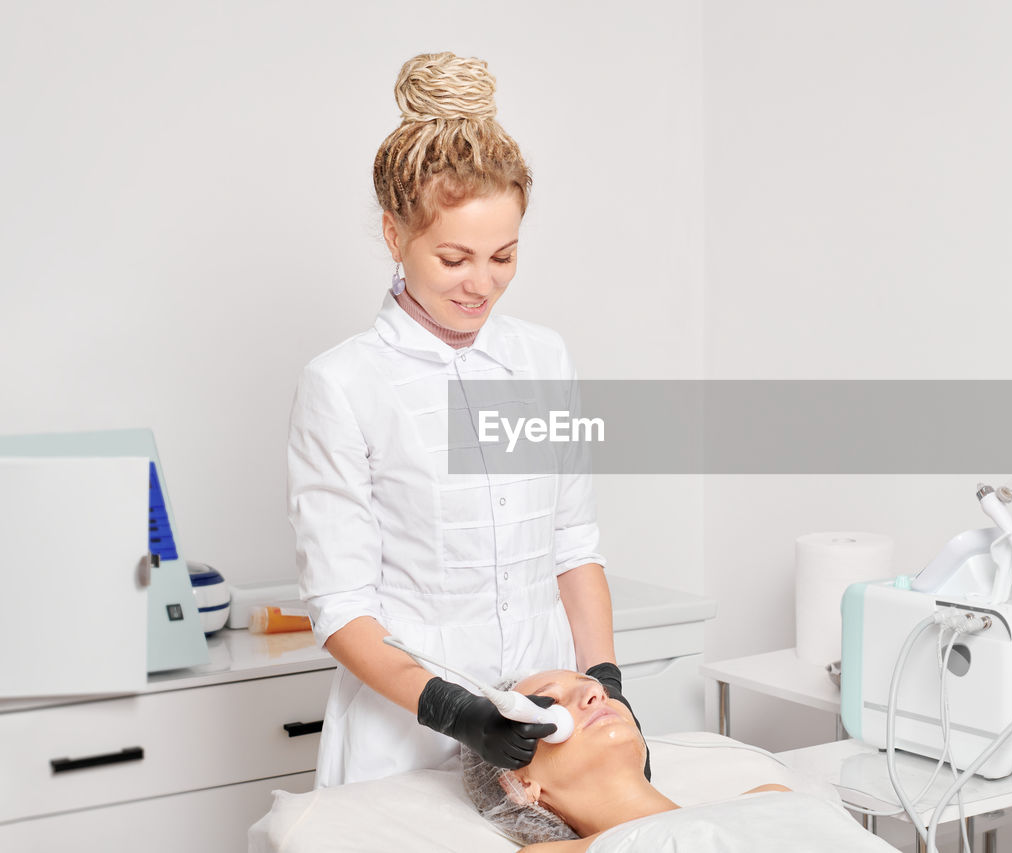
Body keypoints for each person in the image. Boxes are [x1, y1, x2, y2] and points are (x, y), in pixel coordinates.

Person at [287, 51, 643, 788]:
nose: (482, 284)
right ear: (395, 236)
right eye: (454, 258)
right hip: (403, 741)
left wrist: (606, 681)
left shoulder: (543, 359)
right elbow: (342, 605)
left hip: (546, 734)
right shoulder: (345, 384)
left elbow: (573, 545)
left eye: (504, 255)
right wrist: (456, 710)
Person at [462, 669, 894, 852]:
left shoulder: (770, 794)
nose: (594, 693)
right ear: (517, 783)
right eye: (550, 706)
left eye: (590, 685)